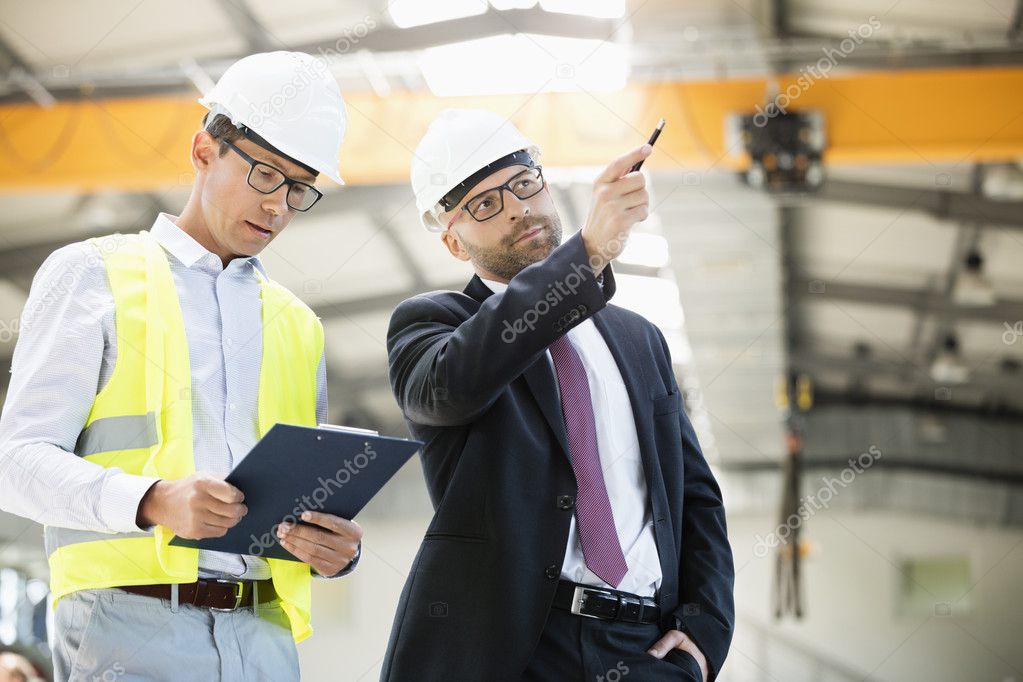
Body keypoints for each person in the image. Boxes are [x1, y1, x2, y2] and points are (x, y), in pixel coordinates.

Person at [0, 51, 360, 682]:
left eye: (299, 188)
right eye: (266, 175)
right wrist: (153, 500)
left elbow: (309, 494)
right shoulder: (93, 275)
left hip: (266, 639)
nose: (278, 206)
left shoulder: (298, 324)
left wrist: (336, 549)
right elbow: (16, 462)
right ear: (203, 150)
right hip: (126, 629)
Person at [382, 109, 735, 681]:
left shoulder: (639, 339)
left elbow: (695, 498)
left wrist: (703, 634)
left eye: (524, 184)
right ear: (452, 241)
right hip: (513, 650)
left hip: (645, 649)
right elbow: (453, 387)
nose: (518, 208)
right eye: (484, 204)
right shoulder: (436, 326)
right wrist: (587, 252)